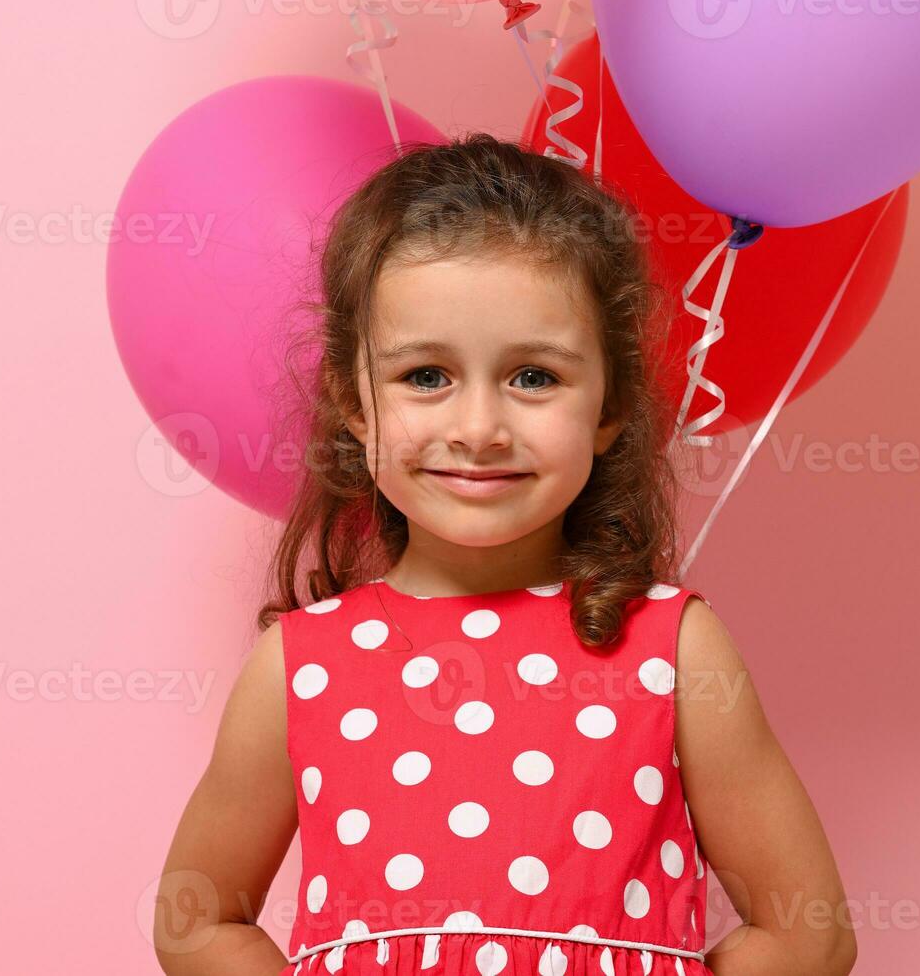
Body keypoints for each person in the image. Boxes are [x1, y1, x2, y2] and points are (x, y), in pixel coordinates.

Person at [153, 134, 856, 976]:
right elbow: (196, 921)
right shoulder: (301, 667)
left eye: (532, 377)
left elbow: (805, 931)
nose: (478, 429)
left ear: (608, 406)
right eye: (424, 376)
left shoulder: (672, 651)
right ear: (354, 403)